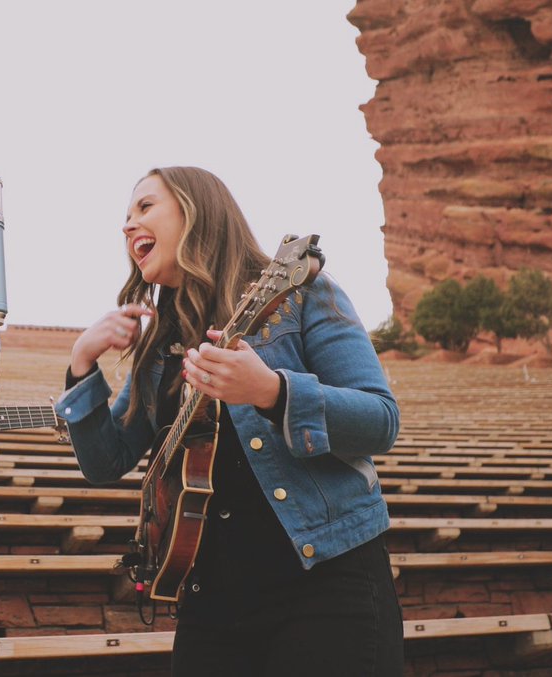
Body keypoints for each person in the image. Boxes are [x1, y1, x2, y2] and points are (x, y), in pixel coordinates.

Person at [54, 166, 403, 676]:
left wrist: (272, 392)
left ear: (198, 212)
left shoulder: (301, 294)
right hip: (210, 602)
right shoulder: (158, 350)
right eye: (125, 217)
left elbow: (380, 420)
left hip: (325, 581)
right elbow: (106, 462)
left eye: (145, 208)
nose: (128, 226)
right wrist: (81, 365)